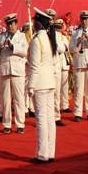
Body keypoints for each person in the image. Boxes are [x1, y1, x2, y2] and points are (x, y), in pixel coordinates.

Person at [28, 9, 58, 163]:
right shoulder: (50, 38)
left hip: (39, 83)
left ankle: (41, 154)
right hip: (49, 82)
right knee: (49, 119)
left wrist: (30, 86)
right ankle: (50, 152)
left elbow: (34, 66)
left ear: (38, 23)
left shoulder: (36, 41)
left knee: (41, 119)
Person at [0, 13, 27, 134]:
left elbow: (25, 51)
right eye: (8, 24)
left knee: (19, 98)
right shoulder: (2, 36)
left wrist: (12, 46)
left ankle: (20, 123)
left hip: (17, 70)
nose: (10, 26)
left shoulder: (22, 36)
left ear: (16, 24)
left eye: (12, 24)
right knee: (5, 98)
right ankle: (7, 124)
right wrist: (2, 46)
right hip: (5, 69)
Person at [51, 17, 70, 127]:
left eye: (59, 27)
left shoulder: (62, 37)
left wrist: (54, 45)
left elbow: (63, 48)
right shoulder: (48, 36)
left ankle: (56, 116)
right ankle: (49, 116)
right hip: (50, 67)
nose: (58, 29)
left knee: (57, 92)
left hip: (59, 66)